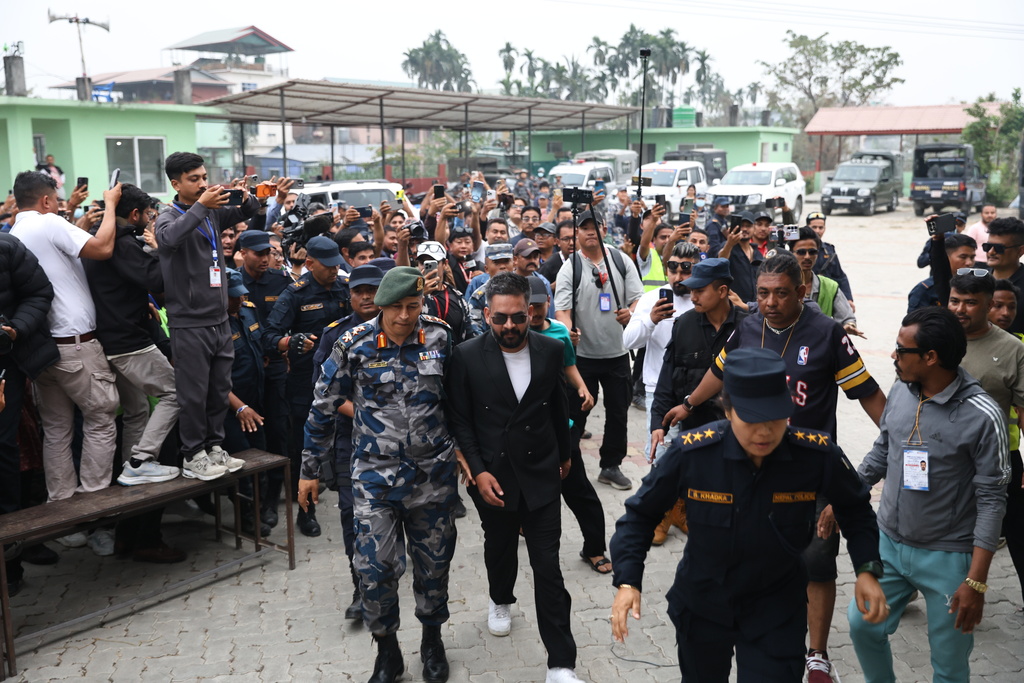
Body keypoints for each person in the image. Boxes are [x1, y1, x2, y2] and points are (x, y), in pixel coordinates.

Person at [670, 252, 886, 681]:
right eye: (763, 293)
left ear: (801, 292)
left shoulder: (827, 333)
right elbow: (718, 371)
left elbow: (867, 392)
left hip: (810, 467)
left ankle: (817, 653)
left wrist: (901, 436)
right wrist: (689, 403)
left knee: (817, 561)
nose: (770, 303)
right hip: (753, 463)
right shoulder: (747, 327)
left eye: (781, 294)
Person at [610, 348, 886, 681]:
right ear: (727, 410)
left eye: (775, 419)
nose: (765, 432)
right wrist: (628, 580)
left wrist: (867, 570)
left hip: (776, 607)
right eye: (752, 420)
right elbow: (639, 515)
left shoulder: (815, 454)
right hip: (704, 602)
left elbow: (856, 509)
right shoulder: (693, 453)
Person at [298, 267, 456, 683]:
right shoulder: (354, 344)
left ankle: (432, 639)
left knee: (434, 565)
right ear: (381, 306)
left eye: (413, 306)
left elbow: (458, 399)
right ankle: (387, 651)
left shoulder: (439, 337)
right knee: (374, 567)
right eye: (396, 307)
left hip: (432, 475)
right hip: (375, 476)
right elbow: (322, 407)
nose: (404, 316)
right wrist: (309, 470)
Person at [849, 307, 1010, 683]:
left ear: (931, 357)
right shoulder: (901, 391)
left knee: (949, 667)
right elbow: (883, 450)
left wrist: (975, 582)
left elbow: (992, 502)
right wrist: (848, 496)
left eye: (901, 349)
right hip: (888, 546)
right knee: (861, 625)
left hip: (948, 558)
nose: (893, 355)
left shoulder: (982, 416)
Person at [446, 273, 583, 683]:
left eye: (518, 317)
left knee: (548, 568)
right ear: (487, 314)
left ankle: (560, 663)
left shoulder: (550, 349)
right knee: (501, 547)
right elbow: (461, 420)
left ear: (531, 311)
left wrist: (566, 455)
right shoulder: (467, 356)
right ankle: (500, 597)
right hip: (494, 475)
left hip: (542, 472)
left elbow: (558, 407)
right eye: (500, 318)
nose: (510, 326)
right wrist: (478, 471)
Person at [9, 172, 120, 550]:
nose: (59, 206)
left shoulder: (15, 231)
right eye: (56, 201)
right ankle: (93, 510)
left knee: (56, 430)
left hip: (41, 347)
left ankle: (63, 516)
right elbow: (103, 248)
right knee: (101, 418)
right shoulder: (49, 222)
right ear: (45, 201)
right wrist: (111, 205)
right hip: (75, 343)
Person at [155, 152, 253, 481]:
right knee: (193, 394)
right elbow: (168, 239)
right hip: (189, 323)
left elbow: (245, 211)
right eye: (194, 179)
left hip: (218, 319)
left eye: (204, 177)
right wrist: (201, 206)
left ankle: (214, 447)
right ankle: (192, 454)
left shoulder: (211, 212)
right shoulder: (168, 217)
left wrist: (249, 197)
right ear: (176, 184)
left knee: (219, 389)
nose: (202, 183)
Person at [81, 183, 181, 488]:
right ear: (135, 214)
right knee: (176, 393)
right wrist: (162, 250)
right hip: (128, 340)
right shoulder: (122, 244)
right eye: (149, 214)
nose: (150, 220)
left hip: (110, 335)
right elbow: (156, 279)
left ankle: (133, 469)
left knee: (137, 409)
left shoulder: (98, 239)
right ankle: (141, 461)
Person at [649, 258, 746, 544]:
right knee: (675, 472)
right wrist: (657, 424)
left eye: (700, 290)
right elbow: (667, 378)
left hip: (736, 427)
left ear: (722, 290)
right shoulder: (684, 325)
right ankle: (667, 511)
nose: (692, 297)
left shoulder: (749, 327)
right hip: (694, 423)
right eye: (691, 290)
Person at [264, 235, 351, 537]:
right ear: (310, 264)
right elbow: (269, 336)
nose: (334, 271)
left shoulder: (344, 287)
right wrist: (290, 342)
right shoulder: (295, 294)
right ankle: (306, 513)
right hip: (306, 382)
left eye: (337, 265)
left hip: (345, 379)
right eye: (328, 266)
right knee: (304, 447)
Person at [312, 263, 385, 621]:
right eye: (359, 291)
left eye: (373, 290)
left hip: (400, 441)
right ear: (349, 295)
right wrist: (365, 415)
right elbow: (324, 391)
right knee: (351, 514)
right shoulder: (334, 336)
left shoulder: (401, 327)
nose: (367, 296)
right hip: (351, 439)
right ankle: (361, 587)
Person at [554, 210, 644, 491]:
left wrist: (631, 314)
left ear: (605, 229)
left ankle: (611, 466)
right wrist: (568, 330)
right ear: (577, 233)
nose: (590, 231)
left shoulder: (620, 260)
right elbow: (562, 309)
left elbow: (638, 299)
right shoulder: (571, 266)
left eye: (595, 226)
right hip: (582, 359)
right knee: (576, 414)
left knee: (618, 414)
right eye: (585, 227)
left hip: (618, 355)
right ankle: (567, 463)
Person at [0, 229, 58, 594]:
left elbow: (39, 292)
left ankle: (10, 564)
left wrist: (15, 330)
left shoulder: (6, 247)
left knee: (4, 450)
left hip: (5, 363)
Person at [236, 229, 293, 527]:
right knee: (250, 436)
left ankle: (272, 498)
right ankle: (252, 501)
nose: (265, 259)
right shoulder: (233, 283)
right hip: (245, 370)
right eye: (258, 253)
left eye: (268, 253)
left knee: (277, 431)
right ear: (242, 253)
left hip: (274, 367)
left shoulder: (280, 281)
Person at [622, 242, 697, 462]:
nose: (678, 277)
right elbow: (628, 342)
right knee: (662, 456)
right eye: (673, 270)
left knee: (695, 454)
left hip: (698, 391)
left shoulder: (703, 299)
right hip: (659, 390)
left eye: (685, 271)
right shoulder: (651, 299)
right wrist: (651, 319)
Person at [223, 268, 270, 537]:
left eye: (241, 295)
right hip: (230, 409)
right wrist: (239, 407)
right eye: (232, 296)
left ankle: (260, 510)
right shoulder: (211, 325)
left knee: (260, 461)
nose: (239, 300)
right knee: (240, 465)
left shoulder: (248, 312)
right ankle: (246, 518)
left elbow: (259, 344)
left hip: (255, 403)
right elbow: (210, 378)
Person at [790, 227, 861, 335]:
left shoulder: (829, 286)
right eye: (801, 252)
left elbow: (847, 318)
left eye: (812, 252)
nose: (807, 257)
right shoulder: (781, 285)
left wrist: (849, 325)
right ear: (791, 253)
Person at [907, 233, 976, 312]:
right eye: (963, 257)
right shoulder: (925, 291)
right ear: (946, 257)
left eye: (972, 257)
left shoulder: (976, 286)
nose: (969, 263)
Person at [806, 211, 854, 306]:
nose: (817, 231)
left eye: (821, 228)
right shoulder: (798, 251)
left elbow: (840, 276)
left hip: (826, 297)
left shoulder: (828, 250)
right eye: (814, 227)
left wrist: (848, 299)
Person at [717, 211, 762, 304]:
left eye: (748, 226)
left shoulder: (757, 253)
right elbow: (721, 261)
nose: (744, 229)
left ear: (754, 228)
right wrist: (729, 244)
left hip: (753, 306)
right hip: (733, 305)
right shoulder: (728, 247)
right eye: (741, 226)